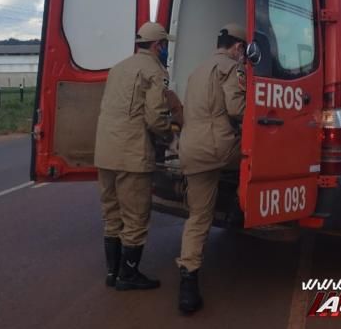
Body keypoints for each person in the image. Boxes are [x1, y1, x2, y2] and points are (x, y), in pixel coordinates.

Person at [94, 21, 181, 291]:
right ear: (158, 46)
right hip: (131, 154)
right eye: (165, 45)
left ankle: (112, 272)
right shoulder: (155, 71)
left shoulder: (118, 68)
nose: (166, 50)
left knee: (112, 214)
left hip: (105, 152)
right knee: (135, 217)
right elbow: (155, 117)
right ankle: (128, 275)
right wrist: (170, 135)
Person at [176, 23, 247, 313]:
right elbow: (237, 109)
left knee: (198, 217)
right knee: (261, 156)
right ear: (238, 48)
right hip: (219, 147)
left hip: (191, 149)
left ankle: (188, 286)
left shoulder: (197, 70)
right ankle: (238, 209)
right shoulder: (232, 68)